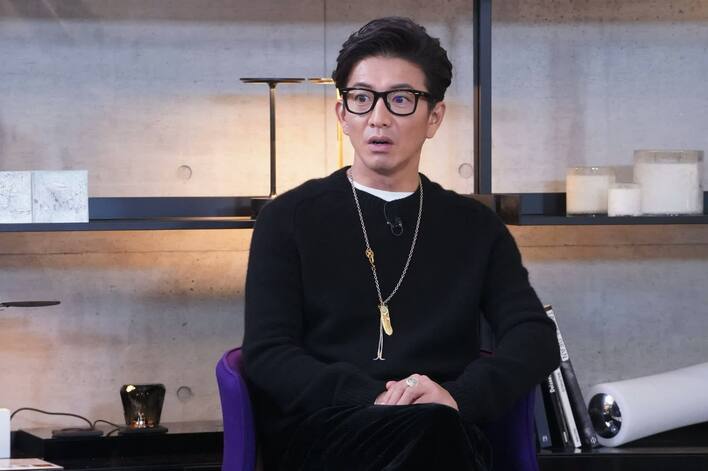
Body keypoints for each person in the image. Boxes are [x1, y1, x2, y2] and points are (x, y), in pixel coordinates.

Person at [242, 16, 560, 471]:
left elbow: (534, 335)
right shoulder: (287, 219)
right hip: (326, 431)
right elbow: (268, 353)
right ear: (342, 115)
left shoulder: (476, 227)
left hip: (443, 424)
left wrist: (457, 397)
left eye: (400, 99)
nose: (378, 117)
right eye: (361, 98)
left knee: (435, 431)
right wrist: (374, 397)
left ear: (434, 118)